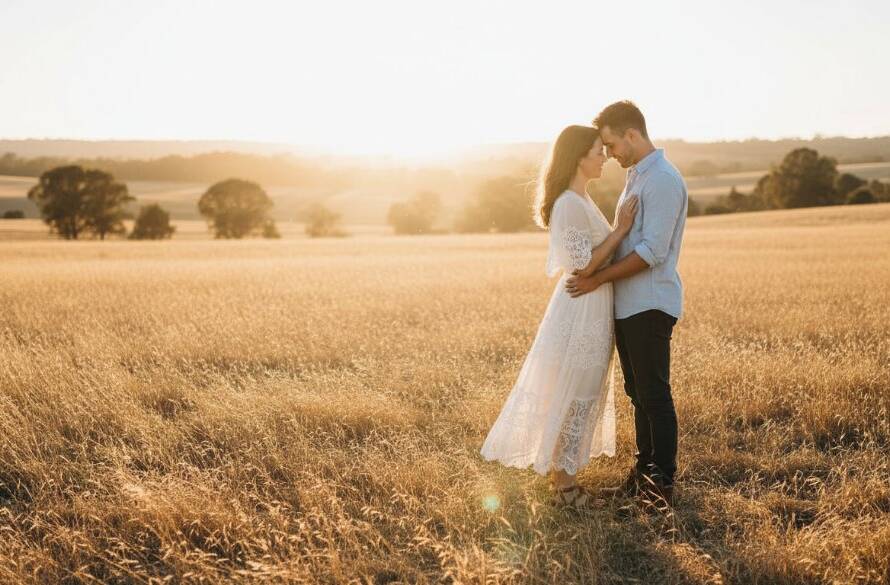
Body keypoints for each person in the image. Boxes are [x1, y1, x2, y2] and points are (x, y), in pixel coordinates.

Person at [481, 124, 638, 509]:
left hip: (593, 305)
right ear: (578, 157)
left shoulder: (582, 198)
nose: (604, 157)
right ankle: (565, 488)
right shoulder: (569, 202)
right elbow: (582, 265)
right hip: (580, 307)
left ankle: (562, 479)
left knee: (580, 387)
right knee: (574, 387)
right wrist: (619, 232)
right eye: (598, 151)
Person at [566, 101, 688, 508]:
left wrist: (597, 278)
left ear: (632, 135)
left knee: (654, 394)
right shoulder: (637, 176)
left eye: (612, 144)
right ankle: (643, 476)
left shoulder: (662, 181)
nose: (610, 154)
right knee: (638, 393)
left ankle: (662, 486)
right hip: (628, 305)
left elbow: (652, 251)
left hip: (650, 302)